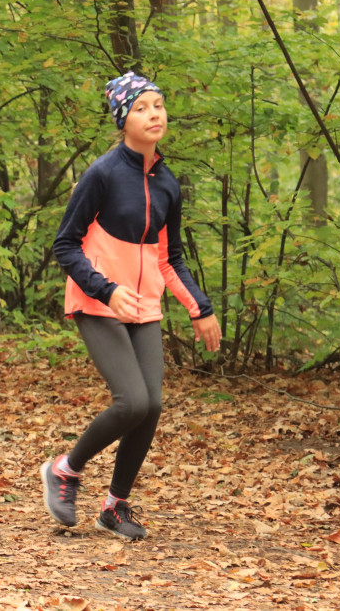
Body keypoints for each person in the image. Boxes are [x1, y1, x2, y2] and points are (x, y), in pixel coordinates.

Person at [41, 71, 221, 541]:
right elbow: (65, 245)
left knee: (153, 405)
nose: (153, 114)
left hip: (144, 305)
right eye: (141, 107)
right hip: (97, 301)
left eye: (158, 105)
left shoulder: (167, 184)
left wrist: (199, 308)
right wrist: (105, 289)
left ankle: (114, 506)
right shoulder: (102, 174)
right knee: (132, 400)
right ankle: (66, 468)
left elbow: (169, 259)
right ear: (123, 120)